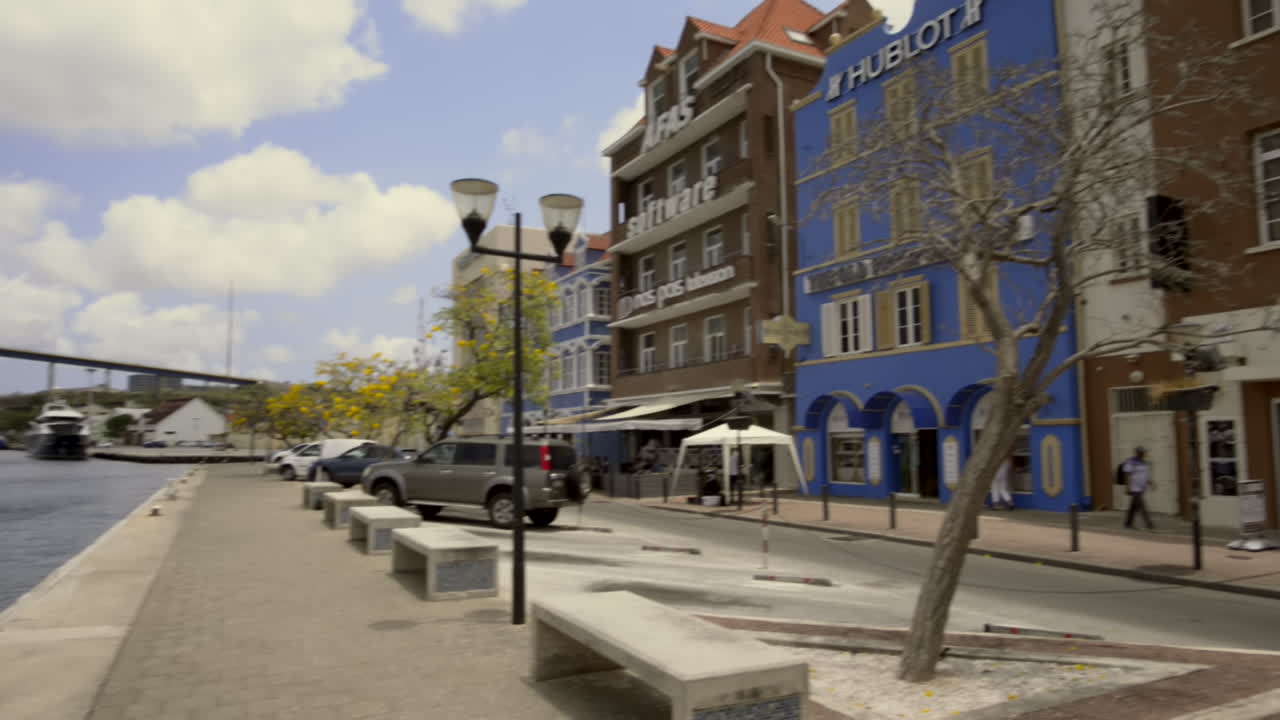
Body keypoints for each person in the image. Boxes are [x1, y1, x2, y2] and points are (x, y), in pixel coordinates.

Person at [1122, 446, 1156, 530]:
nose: (1143, 454)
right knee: (1142, 506)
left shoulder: (1145, 463)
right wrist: (1127, 487)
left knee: (1133, 507)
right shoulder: (1131, 462)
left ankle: (1128, 523)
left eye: (1143, 452)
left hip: (1141, 488)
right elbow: (1127, 474)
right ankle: (1149, 524)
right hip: (1134, 488)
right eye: (1141, 452)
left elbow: (1146, 476)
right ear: (1137, 453)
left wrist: (1151, 483)